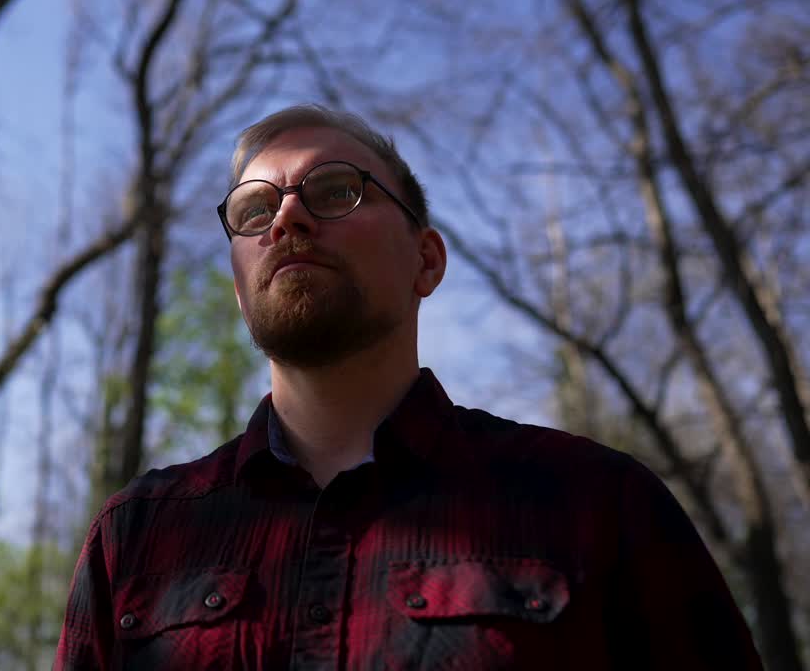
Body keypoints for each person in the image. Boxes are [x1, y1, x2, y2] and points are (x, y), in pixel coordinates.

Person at [53, 105, 762, 670]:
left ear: (426, 260)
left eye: (335, 190)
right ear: (240, 291)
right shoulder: (135, 537)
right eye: (254, 210)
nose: (287, 218)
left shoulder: (602, 506)